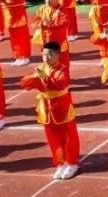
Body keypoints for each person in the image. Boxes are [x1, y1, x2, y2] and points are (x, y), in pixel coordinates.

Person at [21, 41, 80, 180]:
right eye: (44, 55)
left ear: (58, 55)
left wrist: (42, 78)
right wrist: (33, 79)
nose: (46, 58)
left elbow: (60, 84)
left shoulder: (62, 68)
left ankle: (72, 163)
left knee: (68, 136)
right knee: (52, 137)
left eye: (49, 55)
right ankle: (60, 162)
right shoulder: (41, 68)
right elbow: (25, 83)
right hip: (46, 107)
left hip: (62, 106)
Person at [31, 0, 70, 72]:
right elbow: (34, 22)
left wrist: (50, 24)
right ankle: (49, 79)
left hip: (60, 41)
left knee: (63, 62)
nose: (48, 1)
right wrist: (42, 23)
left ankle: (63, 81)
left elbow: (65, 22)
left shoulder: (62, 9)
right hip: (46, 40)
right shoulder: (42, 8)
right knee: (47, 61)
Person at [2, 0, 31, 66]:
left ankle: (25, 57)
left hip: (19, 17)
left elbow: (16, 0)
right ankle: (18, 56)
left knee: (22, 38)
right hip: (10, 18)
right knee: (14, 39)